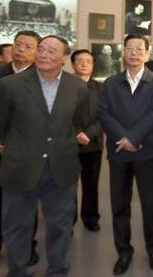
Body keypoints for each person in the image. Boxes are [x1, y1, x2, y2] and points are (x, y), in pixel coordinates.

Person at [0, 35, 89, 277]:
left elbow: (79, 122)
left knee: (60, 225)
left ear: (64, 58)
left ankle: (57, 269)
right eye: (41, 49)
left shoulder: (77, 86)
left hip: (61, 166)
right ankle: (18, 271)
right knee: (17, 226)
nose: (43, 54)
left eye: (51, 51)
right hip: (20, 165)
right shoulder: (10, 84)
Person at [97, 34, 153, 275]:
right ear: (123, 53)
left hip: (149, 153)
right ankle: (123, 251)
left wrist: (134, 138)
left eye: (139, 48)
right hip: (119, 154)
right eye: (129, 48)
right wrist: (123, 139)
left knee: (151, 205)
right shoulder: (110, 83)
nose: (134, 52)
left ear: (146, 53)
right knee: (119, 206)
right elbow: (103, 114)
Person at [0, 31, 41, 271]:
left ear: (37, 52)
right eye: (18, 44)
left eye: (28, 46)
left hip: (29, 154)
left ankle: (27, 247)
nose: (21, 49)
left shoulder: (43, 78)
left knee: (26, 203)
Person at [70, 49, 103, 232]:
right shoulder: (64, 86)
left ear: (93, 65)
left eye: (88, 61)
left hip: (93, 144)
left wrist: (89, 134)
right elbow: (60, 114)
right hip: (69, 144)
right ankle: (69, 220)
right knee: (68, 186)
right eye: (80, 61)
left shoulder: (101, 88)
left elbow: (105, 115)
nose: (84, 64)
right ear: (73, 64)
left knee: (91, 185)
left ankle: (91, 218)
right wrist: (76, 133)